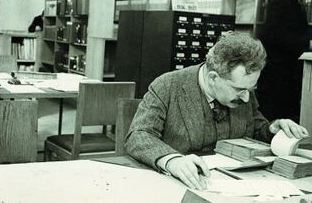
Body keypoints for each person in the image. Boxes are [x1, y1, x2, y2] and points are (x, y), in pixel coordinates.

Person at [125, 32, 309, 190]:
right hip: (179, 185)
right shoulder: (168, 86)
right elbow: (138, 135)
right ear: (213, 78)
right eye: (239, 90)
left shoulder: (243, 89)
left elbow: (254, 127)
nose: (246, 98)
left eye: (251, 90)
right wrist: (172, 160)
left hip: (234, 186)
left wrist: (272, 130)